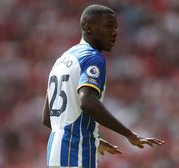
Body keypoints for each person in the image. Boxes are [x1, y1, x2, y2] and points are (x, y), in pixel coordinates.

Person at [42, 4, 164, 168]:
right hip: (76, 151)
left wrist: (95, 140)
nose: (114, 32)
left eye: (115, 27)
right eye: (108, 26)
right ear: (89, 28)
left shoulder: (61, 61)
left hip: (55, 152)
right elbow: (88, 102)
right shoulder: (92, 57)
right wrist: (129, 134)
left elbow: (48, 118)